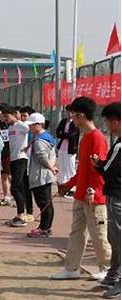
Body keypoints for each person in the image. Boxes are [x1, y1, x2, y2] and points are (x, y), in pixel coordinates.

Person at [53, 96, 111, 281]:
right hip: (81, 195)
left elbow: (99, 169)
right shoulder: (85, 138)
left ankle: (109, 268)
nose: (72, 119)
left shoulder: (98, 138)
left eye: (73, 116)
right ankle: (72, 267)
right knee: (77, 232)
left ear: (81, 115)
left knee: (99, 235)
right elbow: (82, 170)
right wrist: (67, 185)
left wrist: (93, 190)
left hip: (93, 197)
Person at [91, 102, 120, 298]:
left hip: (117, 194)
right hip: (115, 192)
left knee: (118, 238)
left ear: (116, 122)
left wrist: (97, 165)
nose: (107, 126)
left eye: (108, 122)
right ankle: (114, 275)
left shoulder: (119, 145)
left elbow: (108, 170)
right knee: (114, 237)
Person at [24, 113, 57, 237]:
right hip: (46, 174)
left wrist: (50, 167)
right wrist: (52, 167)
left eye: (32, 125)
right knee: (47, 203)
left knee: (43, 203)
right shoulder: (48, 137)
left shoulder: (39, 141)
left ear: (39, 124)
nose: (30, 128)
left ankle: (43, 228)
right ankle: (46, 227)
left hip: (40, 175)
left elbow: (42, 156)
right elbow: (51, 155)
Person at [2, 107, 34, 227]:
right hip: (13, 159)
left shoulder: (22, 125)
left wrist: (28, 146)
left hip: (21, 158)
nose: (5, 119)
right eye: (4, 117)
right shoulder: (10, 127)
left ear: (15, 115)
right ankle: (20, 214)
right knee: (18, 187)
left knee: (15, 187)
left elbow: (35, 132)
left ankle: (22, 215)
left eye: (7, 117)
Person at [56, 105, 80, 197]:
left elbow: (71, 135)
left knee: (70, 168)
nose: (69, 114)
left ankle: (73, 189)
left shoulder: (75, 123)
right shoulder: (63, 121)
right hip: (62, 148)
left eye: (71, 112)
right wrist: (64, 135)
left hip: (71, 149)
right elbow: (58, 133)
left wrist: (64, 134)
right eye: (68, 112)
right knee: (62, 168)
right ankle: (63, 187)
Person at [0, 103, 13, 206]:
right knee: (4, 175)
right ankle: (6, 196)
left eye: (4, 113)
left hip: (13, 152)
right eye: (0, 112)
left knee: (12, 175)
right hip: (3, 152)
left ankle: (15, 194)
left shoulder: (13, 124)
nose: (1, 114)